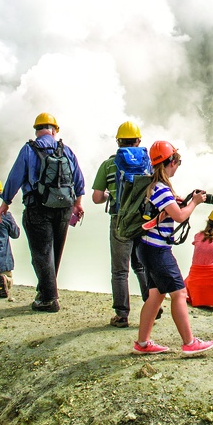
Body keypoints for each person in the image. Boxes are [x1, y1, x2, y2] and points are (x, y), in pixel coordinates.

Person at [131, 141, 213, 355]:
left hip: (146, 247)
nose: (178, 166)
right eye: (177, 161)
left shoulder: (152, 186)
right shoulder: (162, 189)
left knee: (156, 295)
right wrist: (194, 202)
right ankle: (189, 342)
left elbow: (166, 210)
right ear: (170, 162)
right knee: (179, 293)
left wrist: (181, 201)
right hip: (158, 251)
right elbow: (179, 217)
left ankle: (142, 343)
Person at [0, 112, 86, 313]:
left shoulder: (29, 150)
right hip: (64, 207)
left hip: (38, 207)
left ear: (37, 131)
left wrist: (5, 202)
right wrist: (78, 204)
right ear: (54, 130)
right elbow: (79, 180)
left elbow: (16, 176)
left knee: (41, 252)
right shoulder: (66, 150)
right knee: (55, 250)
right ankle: (45, 291)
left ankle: (49, 298)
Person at [91, 121, 151, 327]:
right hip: (142, 220)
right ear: (138, 141)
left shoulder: (109, 165)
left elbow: (96, 197)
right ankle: (152, 305)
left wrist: (110, 194)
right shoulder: (147, 163)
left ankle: (122, 315)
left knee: (119, 270)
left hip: (119, 220)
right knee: (141, 265)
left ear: (118, 142)